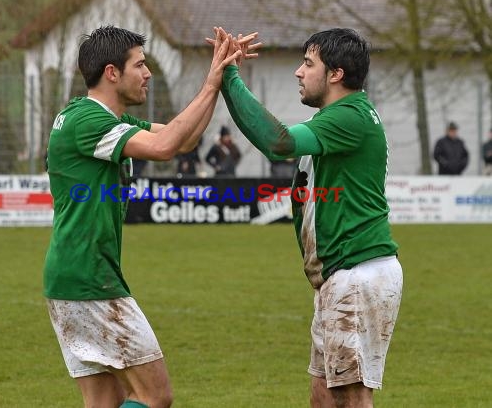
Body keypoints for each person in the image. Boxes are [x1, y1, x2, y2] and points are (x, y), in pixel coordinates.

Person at [43, 25, 240, 408]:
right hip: (90, 280)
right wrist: (212, 79)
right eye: (140, 64)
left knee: (106, 402)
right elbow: (167, 147)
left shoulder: (103, 120)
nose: (148, 73)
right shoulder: (88, 121)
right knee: (155, 395)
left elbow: (183, 139)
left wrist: (215, 83)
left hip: (72, 278)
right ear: (112, 73)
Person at [214, 27, 403, 407]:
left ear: (335, 74)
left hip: (358, 273)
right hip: (341, 275)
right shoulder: (338, 118)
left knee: (351, 396)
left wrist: (230, 76)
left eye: (307, 64)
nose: (299, 73)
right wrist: (225, 78)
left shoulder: (349, 116)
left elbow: (278, 141)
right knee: (323, 395)